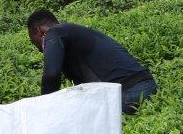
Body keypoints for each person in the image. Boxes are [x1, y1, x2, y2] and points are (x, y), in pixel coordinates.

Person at [26, 9, 157, 114]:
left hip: (128, 93)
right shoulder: (73, 32)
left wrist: (44, 110)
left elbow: (51, 75)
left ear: (38, 31)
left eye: (34, 42)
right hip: (146, 87)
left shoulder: (54, 34)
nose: (39, 50)